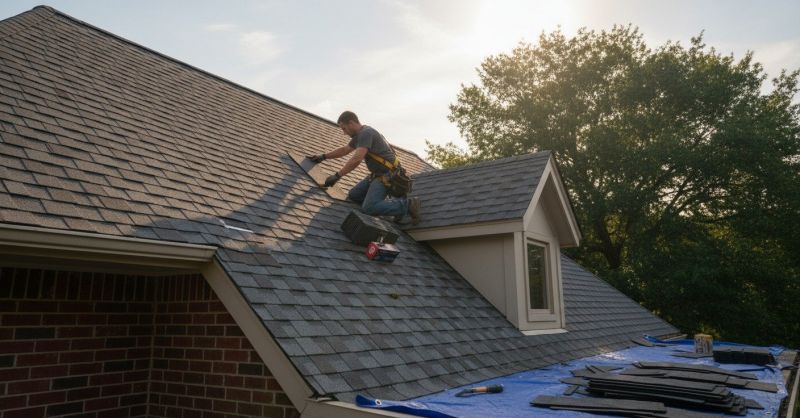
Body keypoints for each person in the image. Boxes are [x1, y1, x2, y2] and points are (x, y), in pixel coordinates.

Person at [307, 111, 420, 225]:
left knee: (369, 208)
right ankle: (388, 206)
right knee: (354, 195)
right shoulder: (361, 135)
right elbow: (345, 150)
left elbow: (357, 159)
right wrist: (323, 157)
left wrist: (337, 176)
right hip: (377, 175)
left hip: (387, 176)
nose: (344, 133)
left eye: (344, 128)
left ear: (351, 123)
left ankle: (407, 205)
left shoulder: (366, 133)